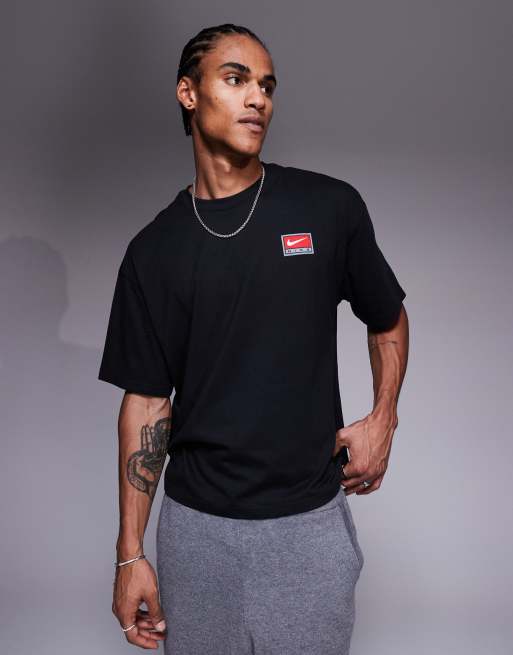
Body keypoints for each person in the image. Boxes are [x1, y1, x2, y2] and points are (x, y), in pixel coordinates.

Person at [98, 22, 409, 655]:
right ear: (188, 93)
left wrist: (384, 417)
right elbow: (148, 404)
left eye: (266, 85)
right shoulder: (153, 251)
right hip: (197, 536)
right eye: (236, 79)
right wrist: (130, 553)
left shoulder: (328, 208)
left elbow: (387, 317)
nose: (257, 98)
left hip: (308, 530)